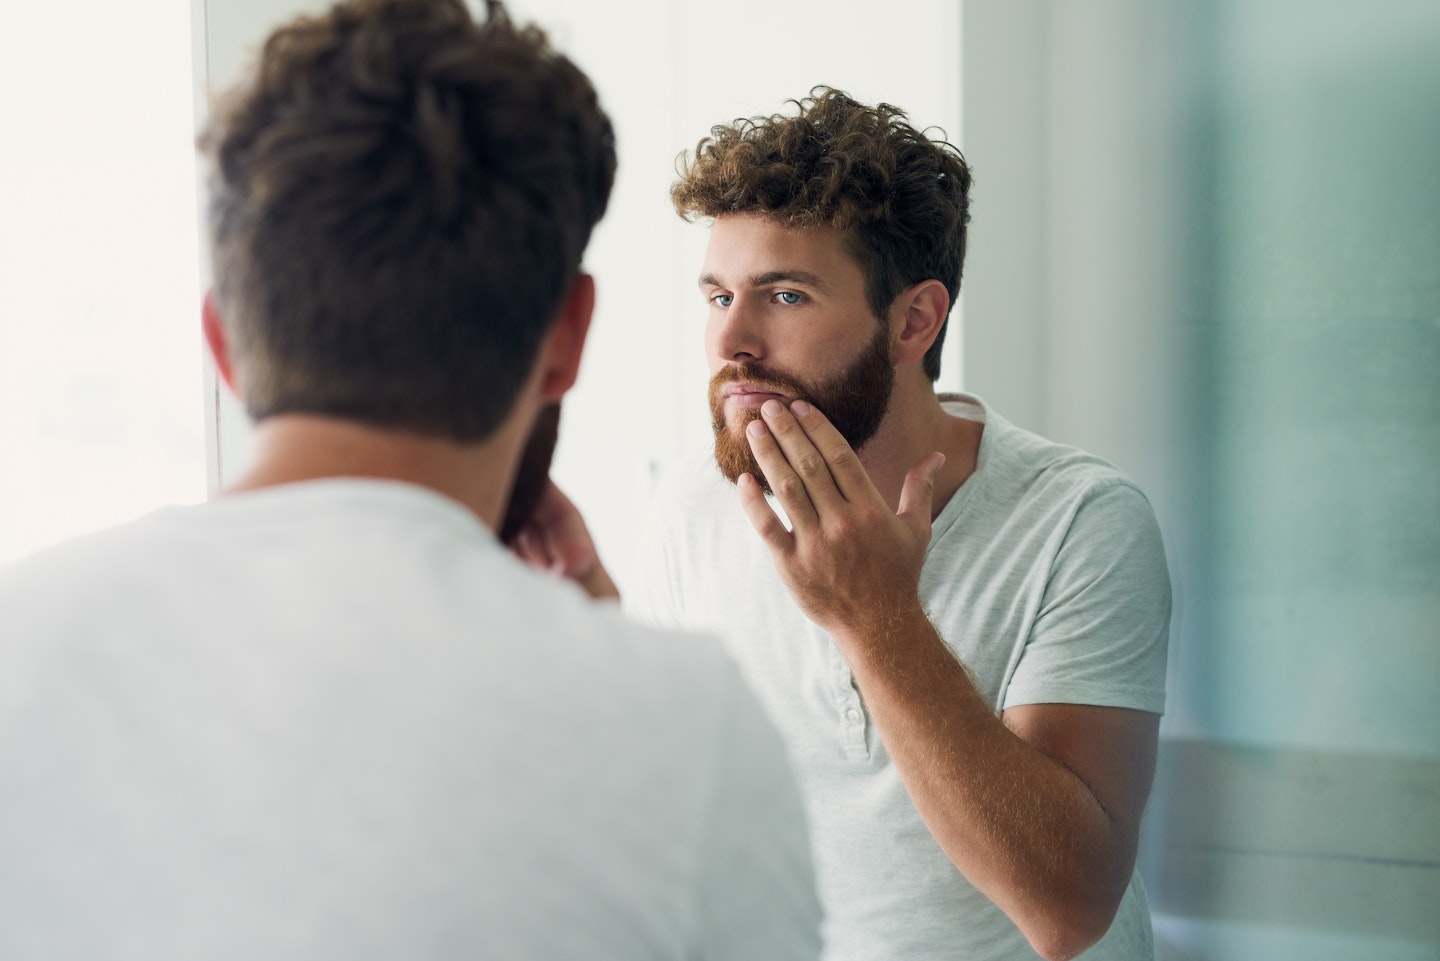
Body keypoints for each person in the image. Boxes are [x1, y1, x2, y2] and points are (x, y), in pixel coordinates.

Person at [0, 3, 821, 958]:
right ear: (568, 337)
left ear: (222, 337)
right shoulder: (691, 733)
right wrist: (610, 663)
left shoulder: (19, 640)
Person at [522, 88, 1171, 961]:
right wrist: (591, 603)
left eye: (783, 296)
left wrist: (876, 617)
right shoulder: (697, 501)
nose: (732, 342)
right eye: (718, 297)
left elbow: (1067, 907)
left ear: (914, 320)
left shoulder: (1079, 522)